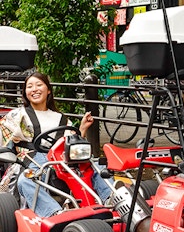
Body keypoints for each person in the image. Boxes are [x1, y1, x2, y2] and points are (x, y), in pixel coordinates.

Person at [0, 72, 112, 217]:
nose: (34, 89)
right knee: (25, 181)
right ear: (25, 93)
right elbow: (4, 139)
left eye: (39, 85)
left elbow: (71, 144)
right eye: (30, 86)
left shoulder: (61, 118)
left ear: (48, 90)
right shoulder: (17, 115)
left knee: (98, 166)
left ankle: (112, 199)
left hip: (61, 160)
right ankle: (56, 215)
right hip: (32, 161)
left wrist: (82, 129)